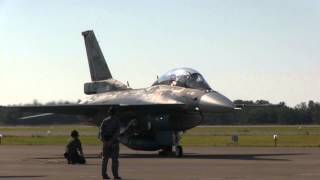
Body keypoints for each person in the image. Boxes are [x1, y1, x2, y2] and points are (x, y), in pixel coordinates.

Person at [100, 107, 121, 180]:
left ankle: (104, 175)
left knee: (105, 159)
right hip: (114, 143)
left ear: (109, 112)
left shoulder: (105, 121)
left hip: (106, 143)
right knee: (114, 160)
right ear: (115, 113)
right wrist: (111, 141)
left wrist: (105, 142)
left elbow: (101, 132)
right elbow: (117, 132)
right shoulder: (117, 121)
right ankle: (115, 175)